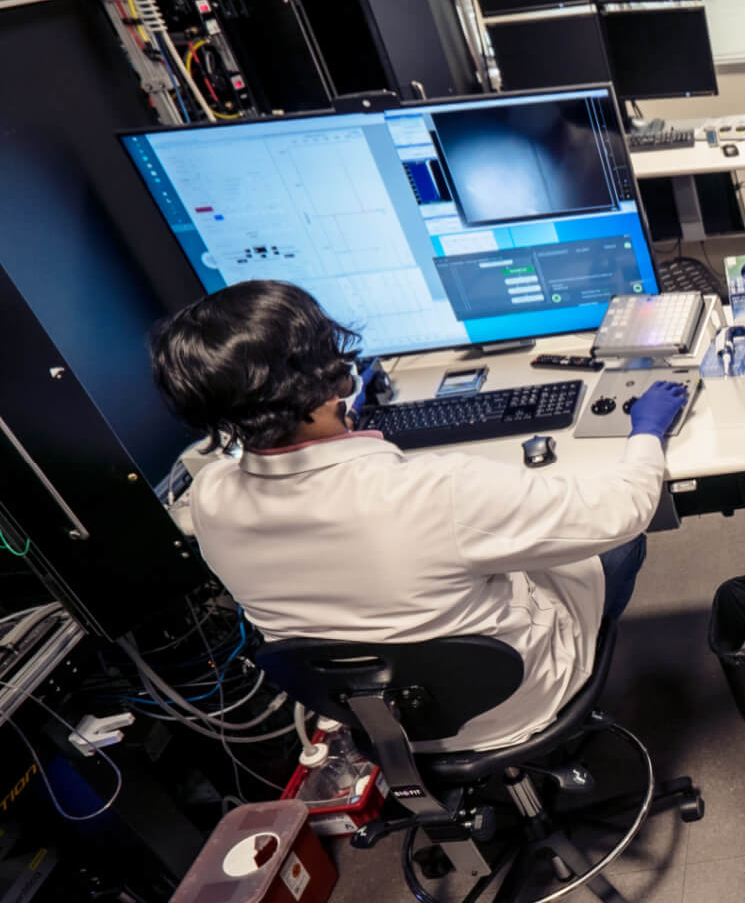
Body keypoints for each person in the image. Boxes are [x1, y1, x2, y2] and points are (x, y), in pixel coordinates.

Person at [151, 279, 686, 752]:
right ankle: (577, 698)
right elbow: (623, 509)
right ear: (323, 379)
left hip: (377, 719)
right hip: (511, 698)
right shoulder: (435, 492)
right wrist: (646, 432)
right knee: (617, 545)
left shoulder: (210, 497)